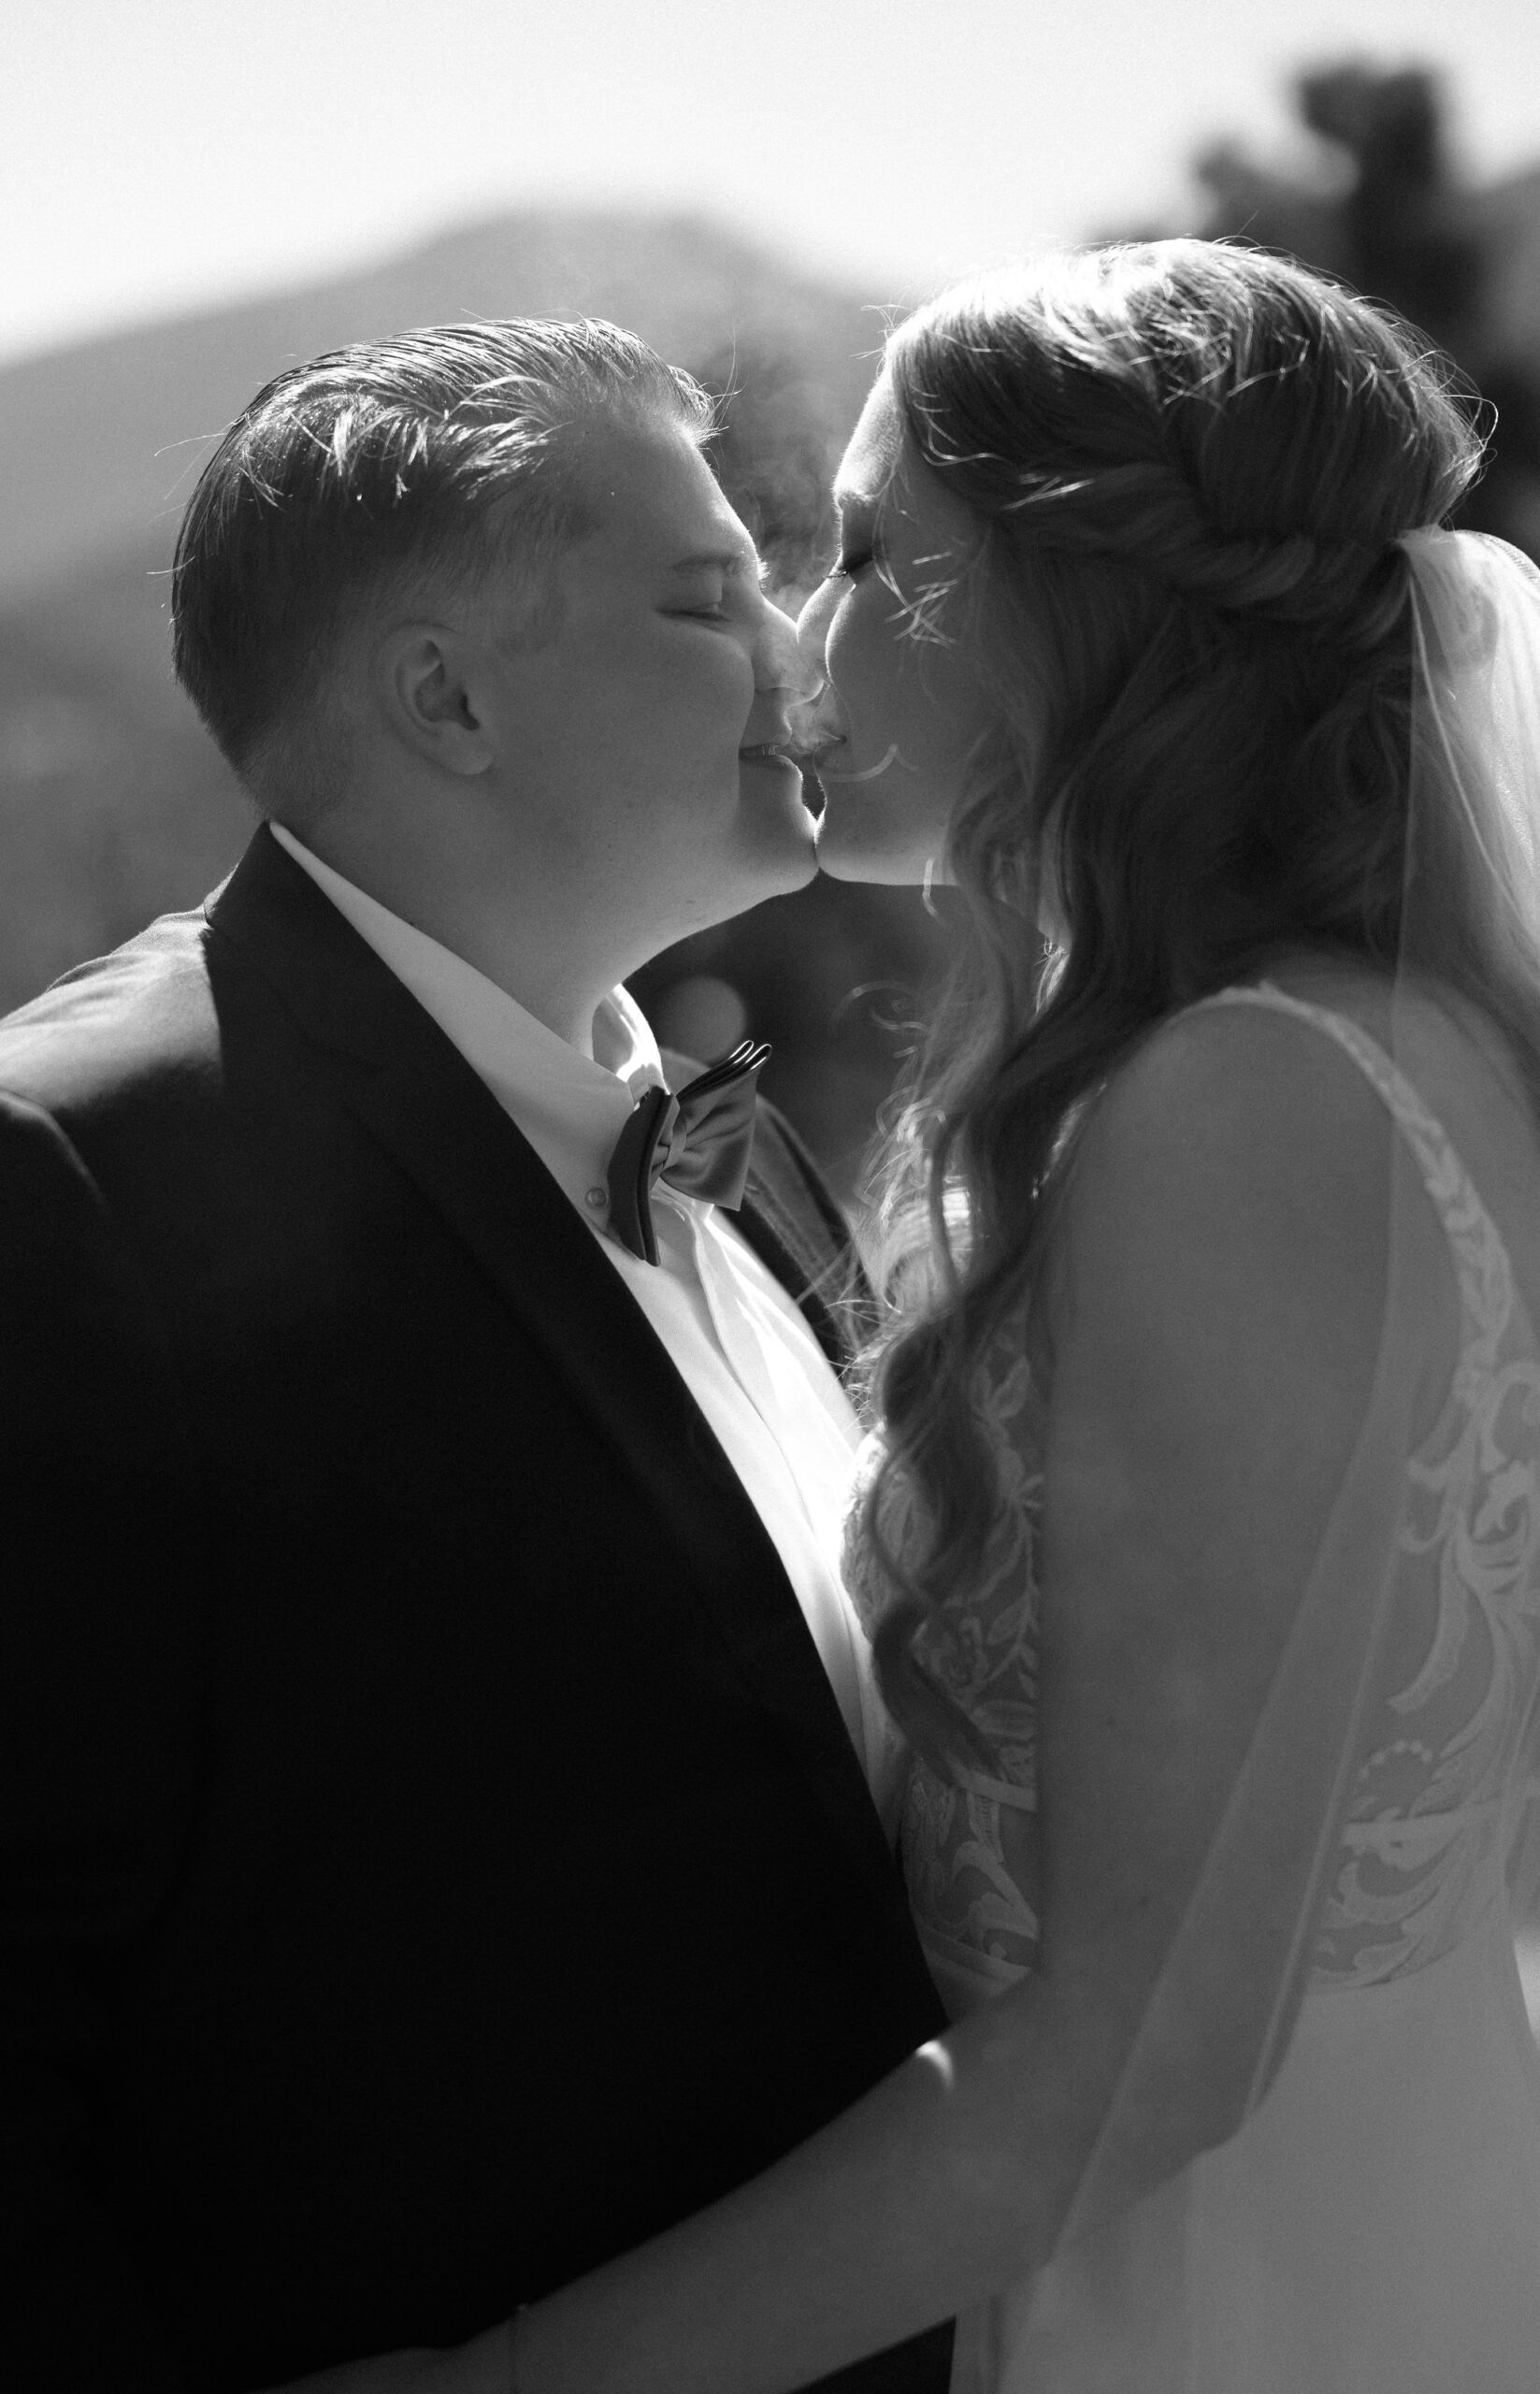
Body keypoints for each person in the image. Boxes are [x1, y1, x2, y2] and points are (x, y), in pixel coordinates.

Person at [503, 244, 1540, 2391]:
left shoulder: (1237, 1109)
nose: (803, 635)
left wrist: (495, 2382)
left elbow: (1138, 2053)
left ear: (1074, 602)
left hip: (1202, 2305)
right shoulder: (1408, 1043)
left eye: (873, 551)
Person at [0, 319, 955, 2391]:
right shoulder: (68, 1174)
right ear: (443, 695)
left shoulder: (732, 1137)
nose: (800, 650)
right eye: (707, 596)